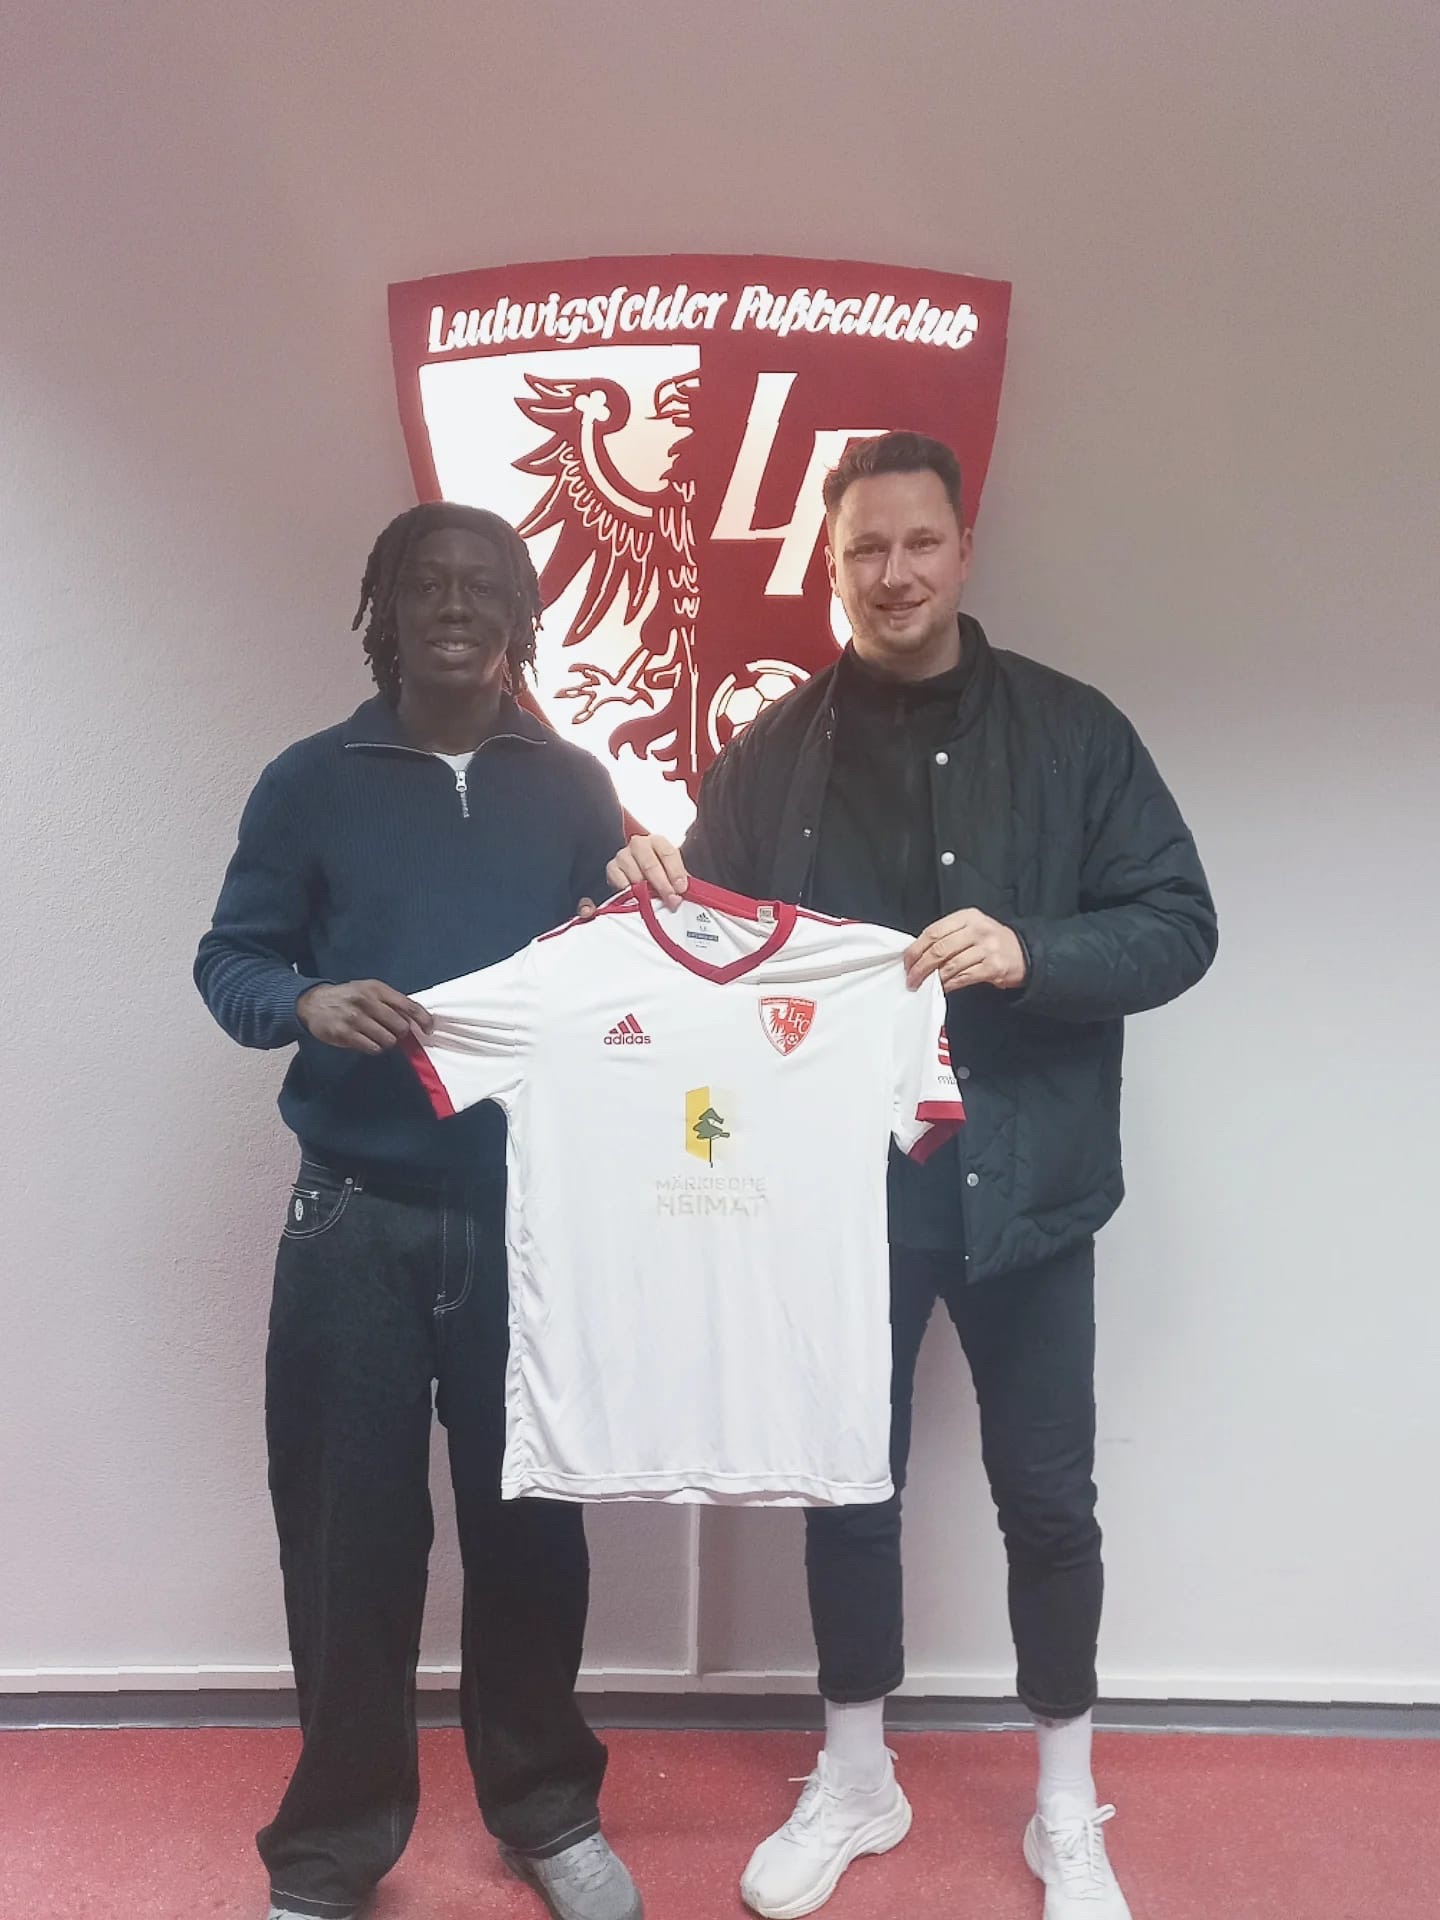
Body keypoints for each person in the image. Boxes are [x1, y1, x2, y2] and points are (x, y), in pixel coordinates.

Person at [607, 432, 1217, 1920]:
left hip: (1028, 1195)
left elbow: (1180, 924)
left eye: (919, 543)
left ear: (963, 549)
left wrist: (1033, 950)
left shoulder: (1074, 732)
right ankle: (857, 1776)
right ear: (833, 567)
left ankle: (1066, 1805)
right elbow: (708, 965)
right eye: (865, 550)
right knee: (848, 1494)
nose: (894, 574)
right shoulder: (773, 750)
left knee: (1048, 1501)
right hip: (837, 1200)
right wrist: (644, 890)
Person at [195, 503, 642, 1920]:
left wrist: (646, 887)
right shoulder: (308, 782)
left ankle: (548, 1812)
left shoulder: (571, 787)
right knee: (351, 1545)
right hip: (355, 1221)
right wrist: (303, 1002)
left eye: (483, 588)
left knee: (533, 1537)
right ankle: (333, 1849)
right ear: (383, 612)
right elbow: (230, 960)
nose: (455, 607)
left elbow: (623, 976)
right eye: (427, 586)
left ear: (520, 617)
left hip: (528, 1227)